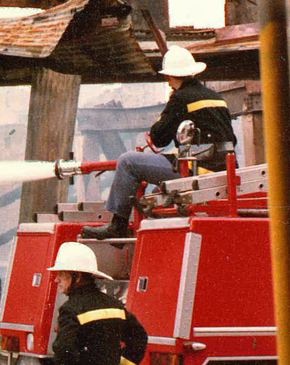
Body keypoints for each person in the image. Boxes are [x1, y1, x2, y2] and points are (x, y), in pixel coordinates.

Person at [81, 45, 236, 239]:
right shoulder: (217, 98)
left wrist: (159, 125)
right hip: (224, 171)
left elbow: (159, 138)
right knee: (156, 192)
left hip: (197, 171)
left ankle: (117, 224)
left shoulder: (180, 98)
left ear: (169, 77)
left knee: (128, 161)